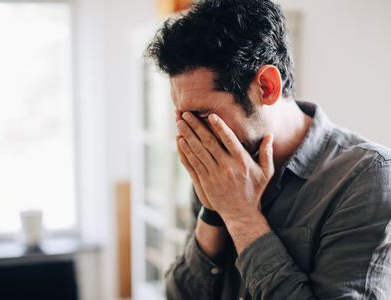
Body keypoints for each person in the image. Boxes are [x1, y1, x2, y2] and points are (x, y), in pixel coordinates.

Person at [145, 0, 391, 299]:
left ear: (267, 87)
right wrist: (214, 211)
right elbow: (179, 295)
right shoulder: (217, 166)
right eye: (180, 115)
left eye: (199, 115)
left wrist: (241, 216)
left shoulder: (368, 177)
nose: (187, 132)